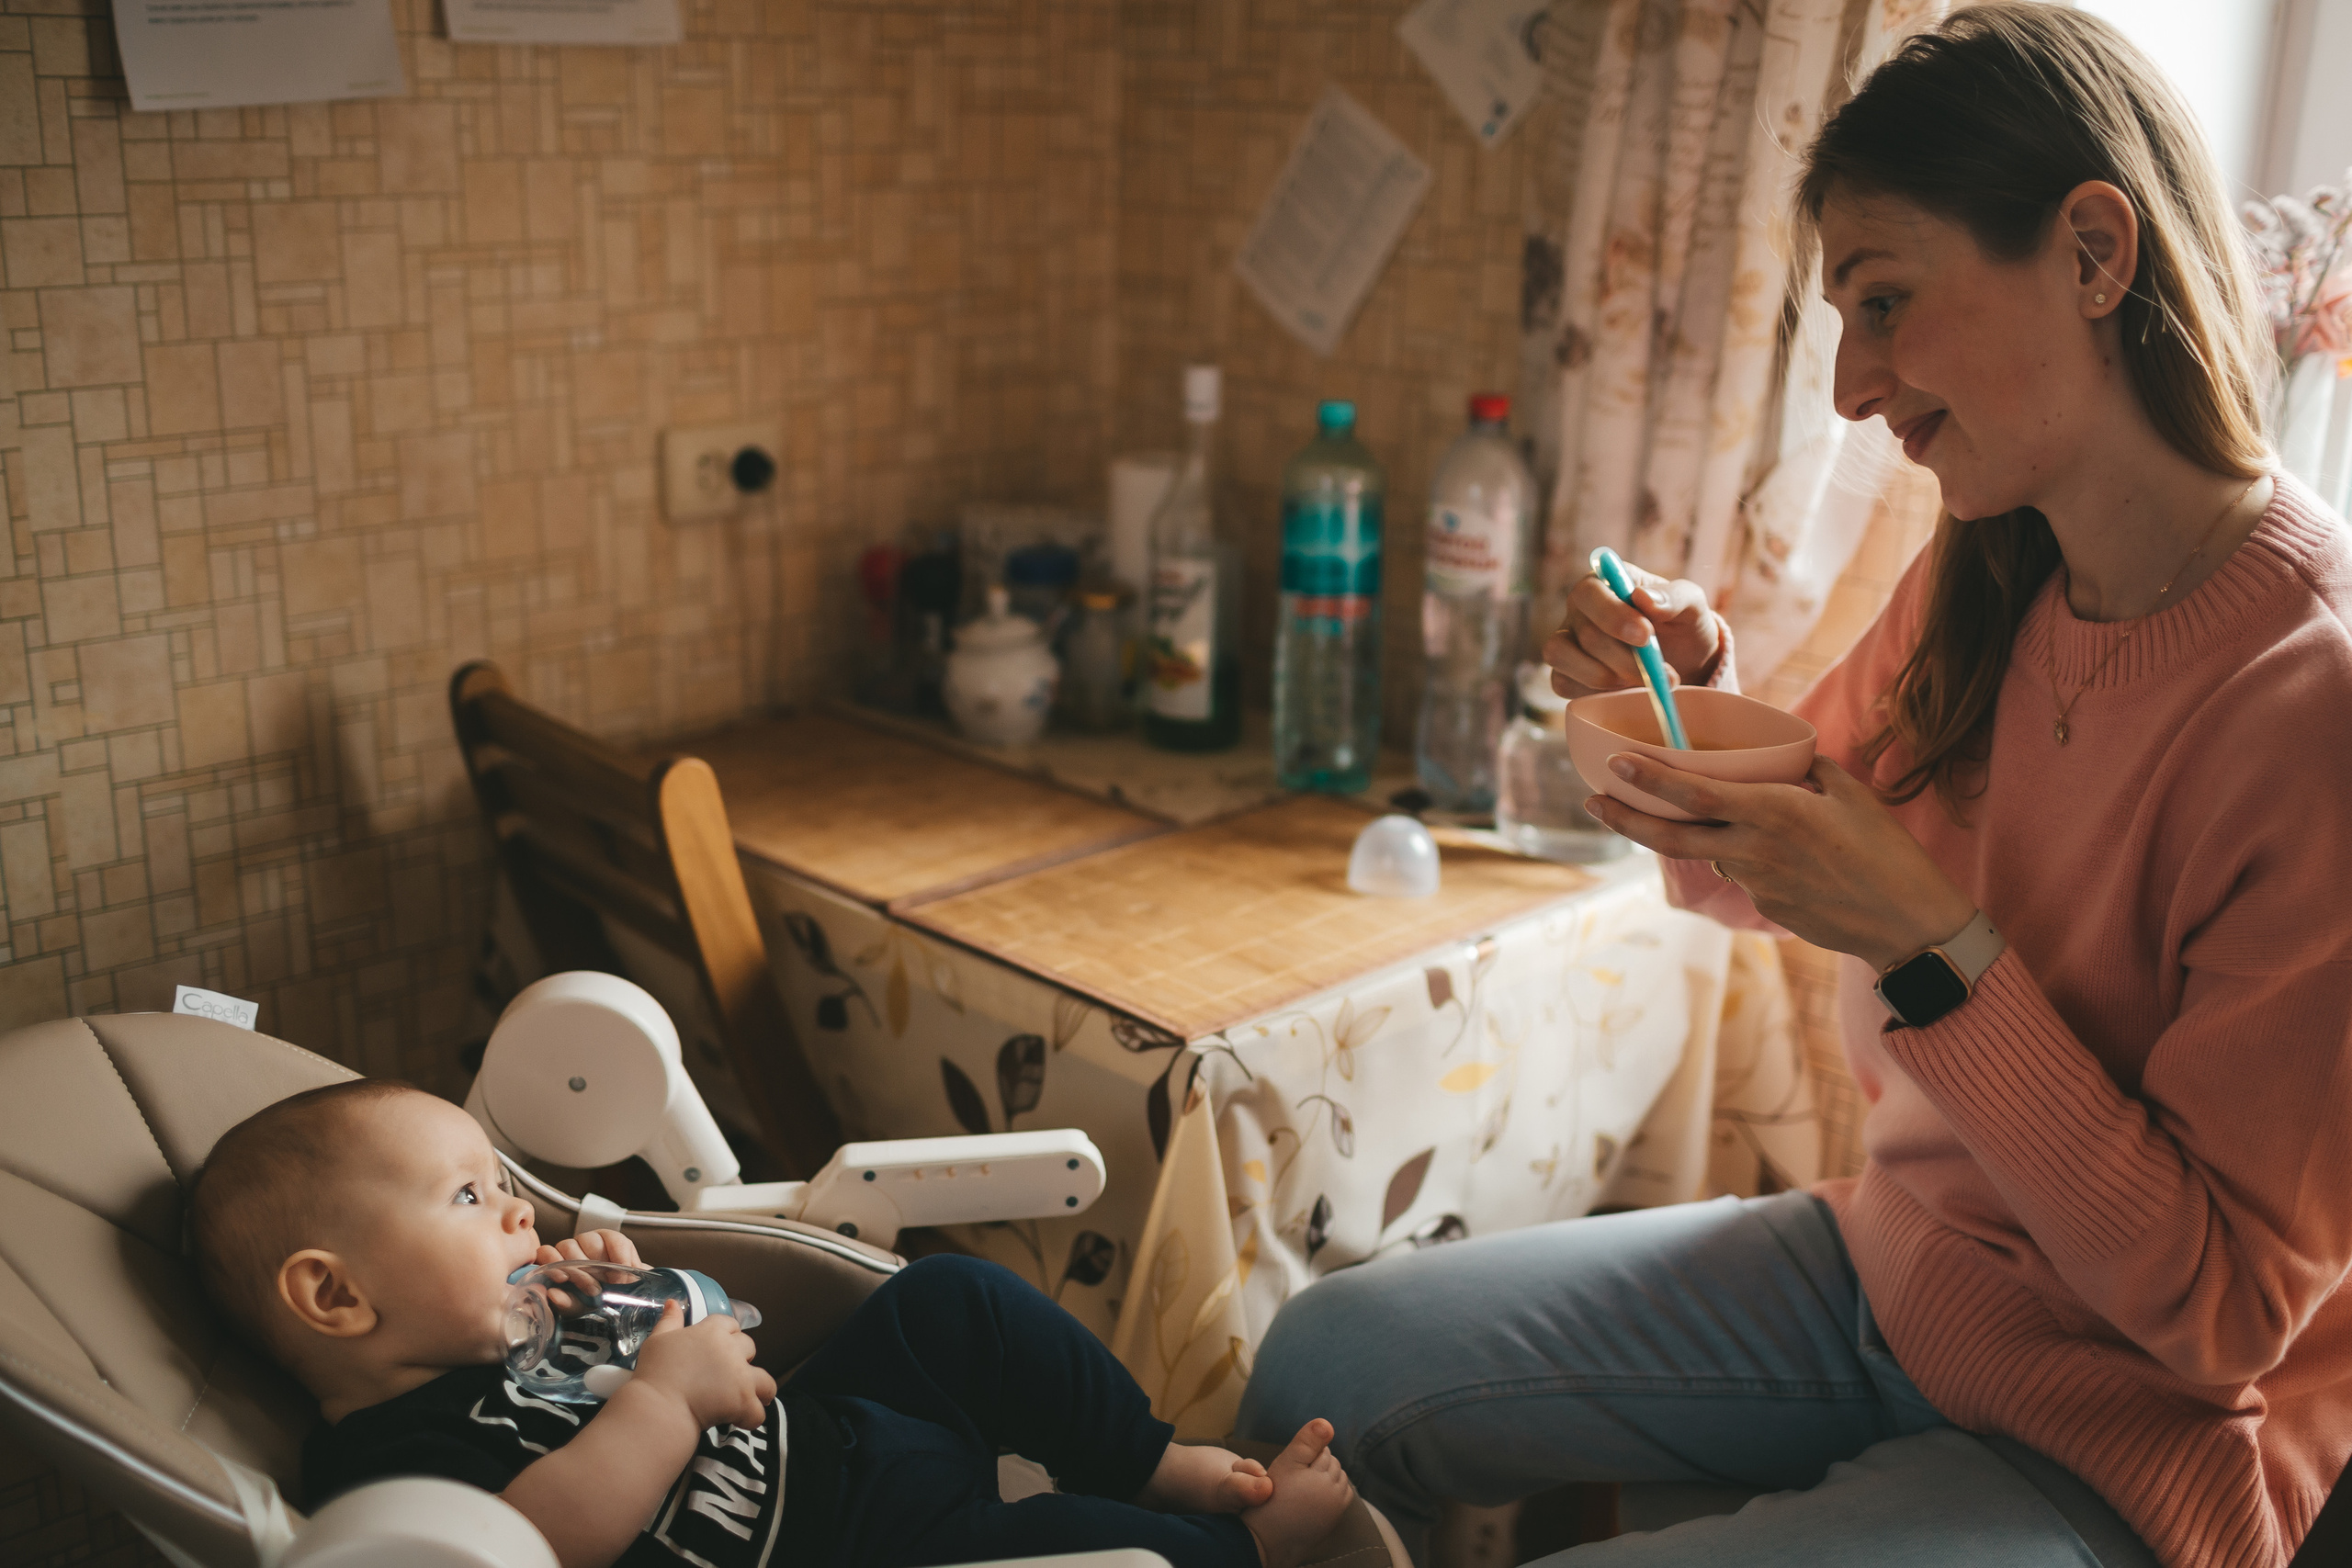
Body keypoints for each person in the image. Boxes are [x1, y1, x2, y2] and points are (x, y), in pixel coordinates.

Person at [1236, 6, 2351, 1566]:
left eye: (1884, 301)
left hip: (2136, 1439)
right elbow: (1733, 868)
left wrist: (1935, 948)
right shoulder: (1991, 568)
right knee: (1325, 1367)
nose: (1849, 387)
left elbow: (2224, 1316)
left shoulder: (2313, 703)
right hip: (1899, 1277)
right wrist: (1679, 702)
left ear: (2096, 254)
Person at [188, 1077, 1356, 1568]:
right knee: (1074, 1551)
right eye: (466, 1198)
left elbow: (686, 1328)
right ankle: (1246, 1552)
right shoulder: (383, 1471)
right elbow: (542, 1541)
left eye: (502, 1186)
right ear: (334, 1296)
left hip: (820, 1427)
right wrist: (661, 1397)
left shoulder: (513, 1326)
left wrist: (623, 1295)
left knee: (953, 1299)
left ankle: (1145, 1457)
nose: (516, 1212)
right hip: (848, 1549)